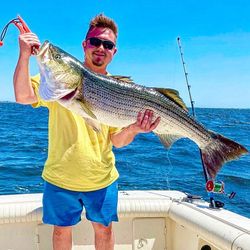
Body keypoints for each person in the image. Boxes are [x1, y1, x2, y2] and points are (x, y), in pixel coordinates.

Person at [13, 14, 160, 250]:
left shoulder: (120, 90)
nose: (101, 48)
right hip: (60, 176)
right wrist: (24, 55)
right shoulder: (55, 84)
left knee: (104, 230)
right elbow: (22, 96)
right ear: (84, 45)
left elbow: (117, 141)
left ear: (114, 51)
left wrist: (135, 128)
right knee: (61, 232)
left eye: (108, 44)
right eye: (95, 42)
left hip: (101, 178)